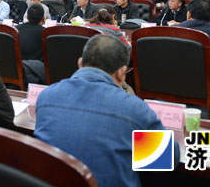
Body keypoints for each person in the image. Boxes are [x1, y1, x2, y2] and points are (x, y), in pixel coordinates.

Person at [34, 35, 179, 187]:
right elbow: (169, 158)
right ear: (122, 73)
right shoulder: (134, 109)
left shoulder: (46, 96)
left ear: (80, 63)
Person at [16, 4, 47, 85]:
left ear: (27, 17)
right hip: (37, 74)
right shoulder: (46, 33)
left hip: (17, 71)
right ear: (43, 18)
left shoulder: (16, 29)